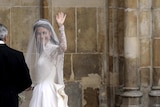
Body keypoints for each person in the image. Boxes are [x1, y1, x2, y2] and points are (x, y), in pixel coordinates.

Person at [26, 12, 68, 107]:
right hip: (39, 90)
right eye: (38, 34)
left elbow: (63, 47)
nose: (41, 36)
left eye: (44, 33)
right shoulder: (40, 52)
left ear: (50, 33)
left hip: (47, 92)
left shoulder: (52, 49)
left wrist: (61, 27)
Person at [0, 23, 32, 107]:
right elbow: (26, 81)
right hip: (10, 100)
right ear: (6, 37)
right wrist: (14, 90)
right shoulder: (17, 55)